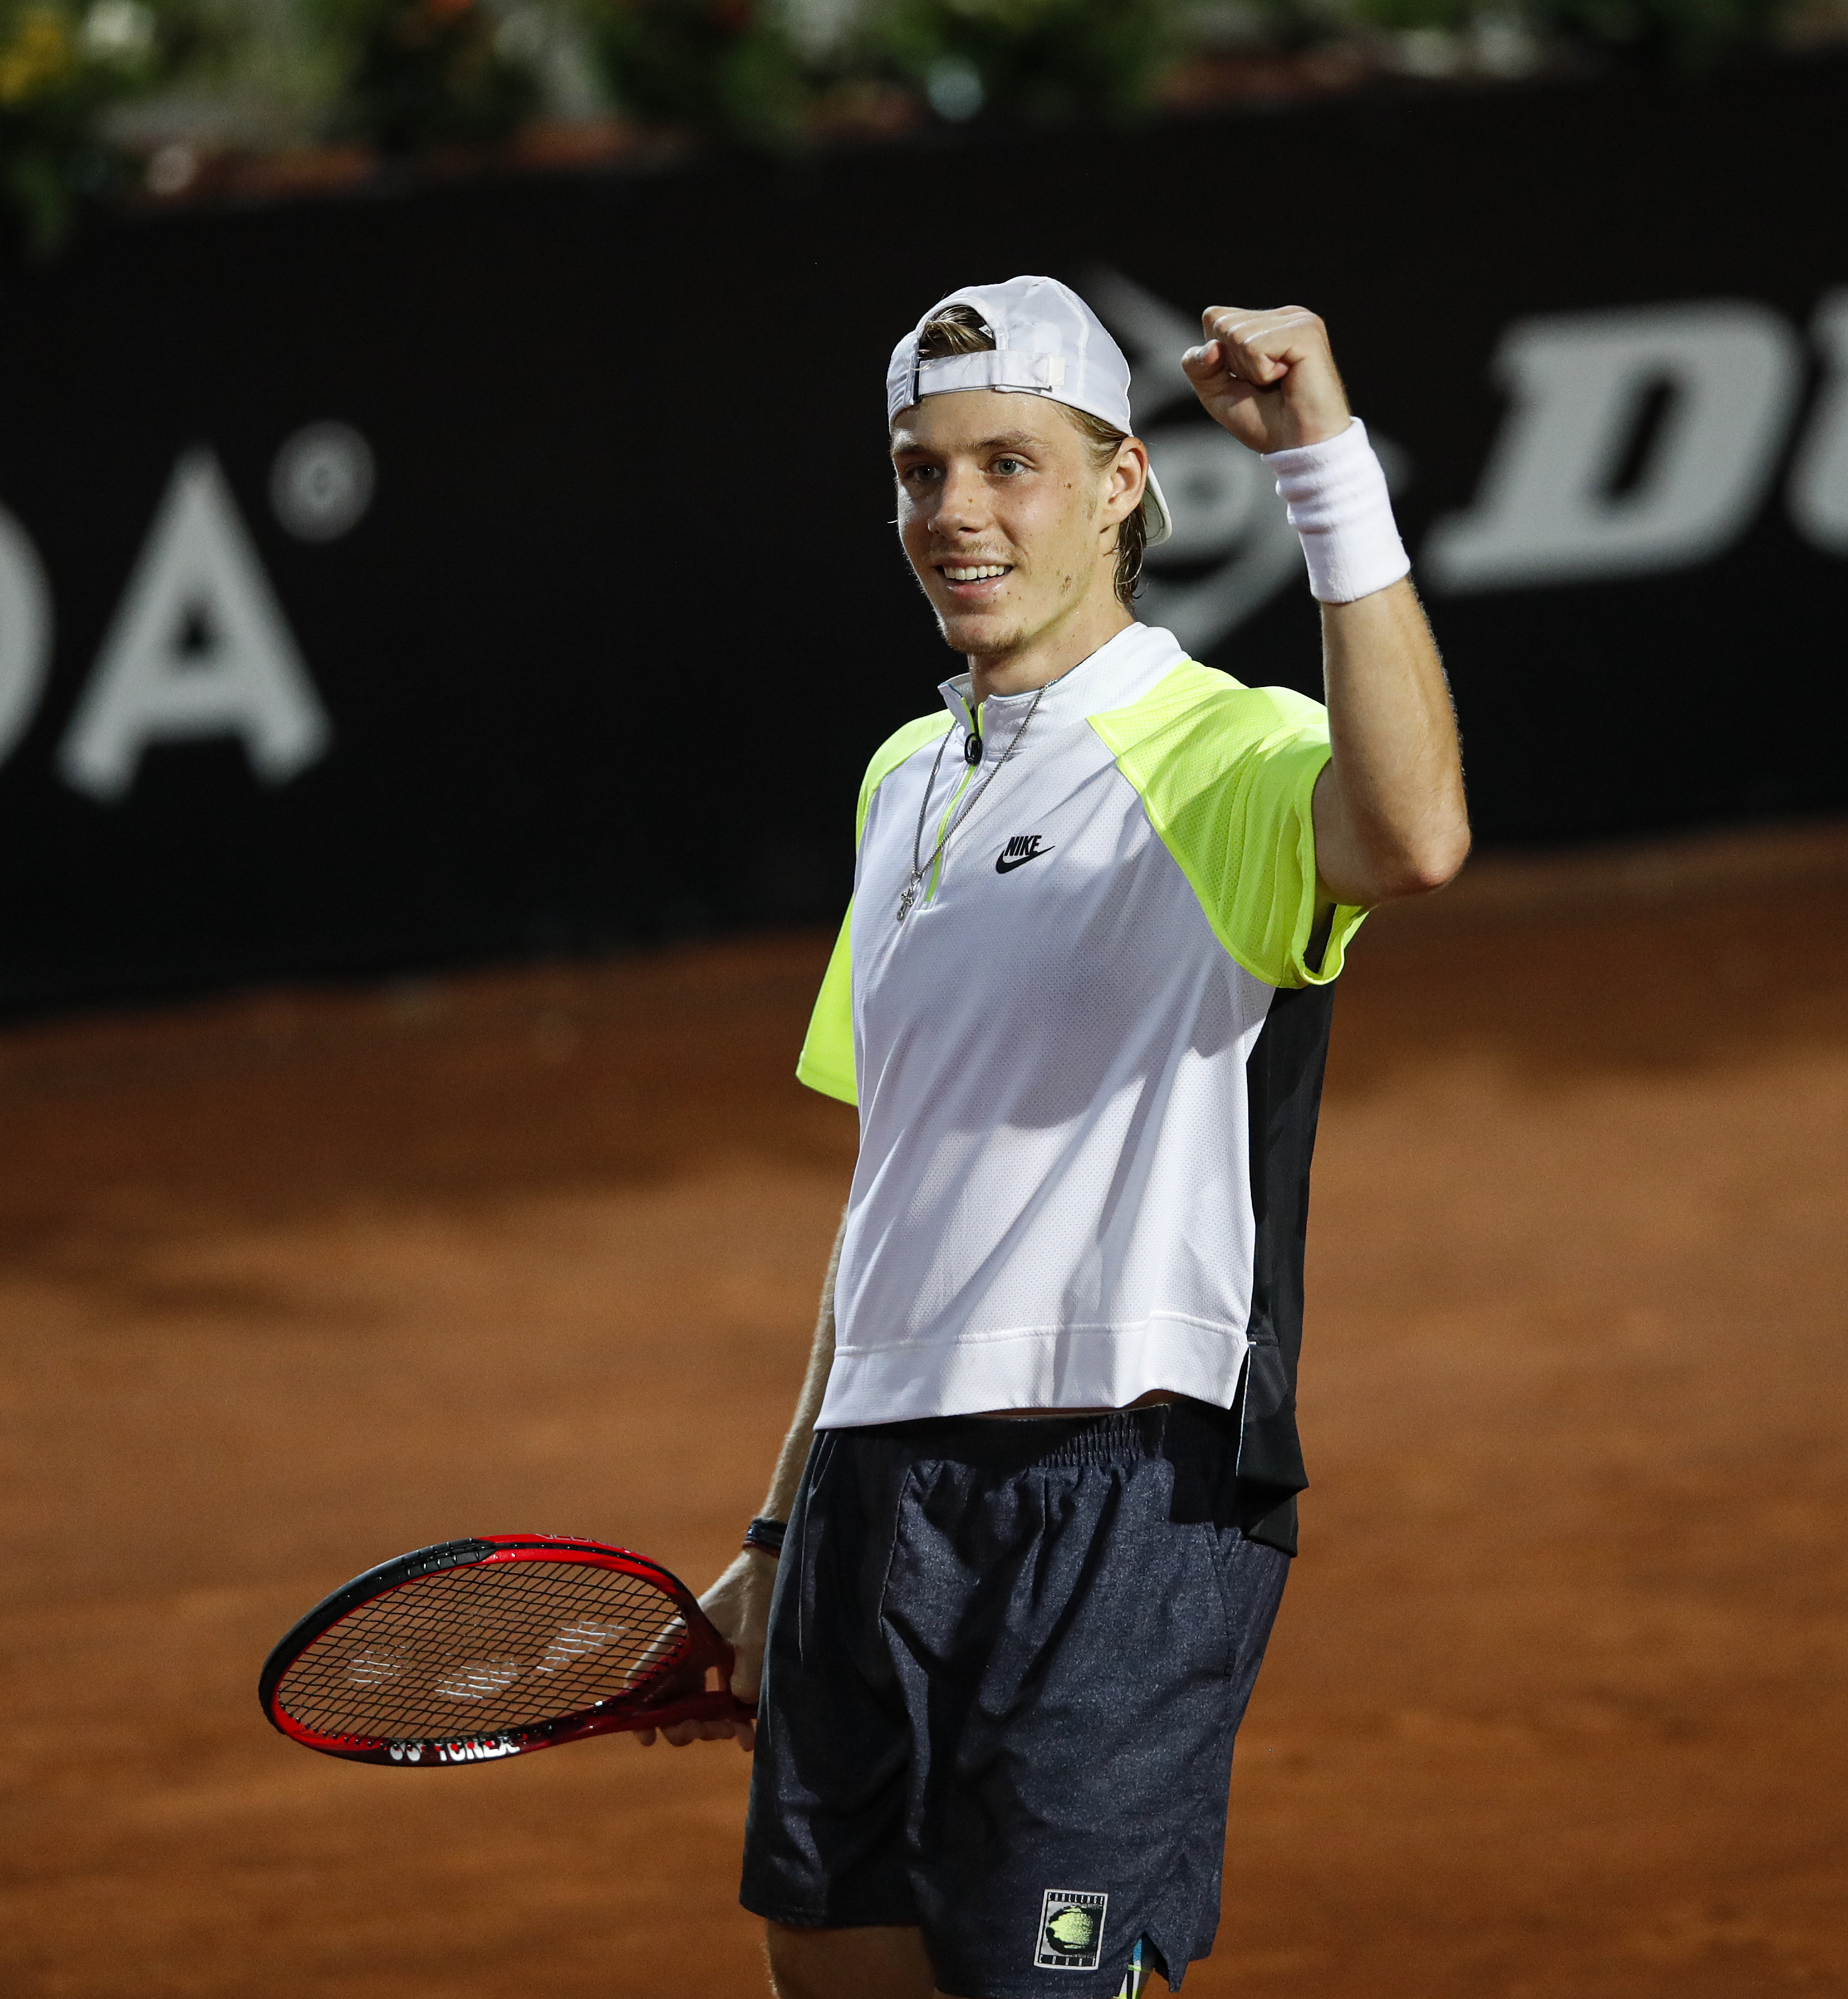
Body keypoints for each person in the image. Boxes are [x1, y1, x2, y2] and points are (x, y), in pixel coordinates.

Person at [643, 274, 1469, 1999]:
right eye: (919, 473)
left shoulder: (1225, 749)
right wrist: (783, 1535)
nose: (953, 515)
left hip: (1128, 1486)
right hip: (879, 1485)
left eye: (1007, 466)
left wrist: (1323, 458)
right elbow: (895, 1200)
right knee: (842, 1969)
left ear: (1120, 484)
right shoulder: (901, 780)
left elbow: (1414, 837)